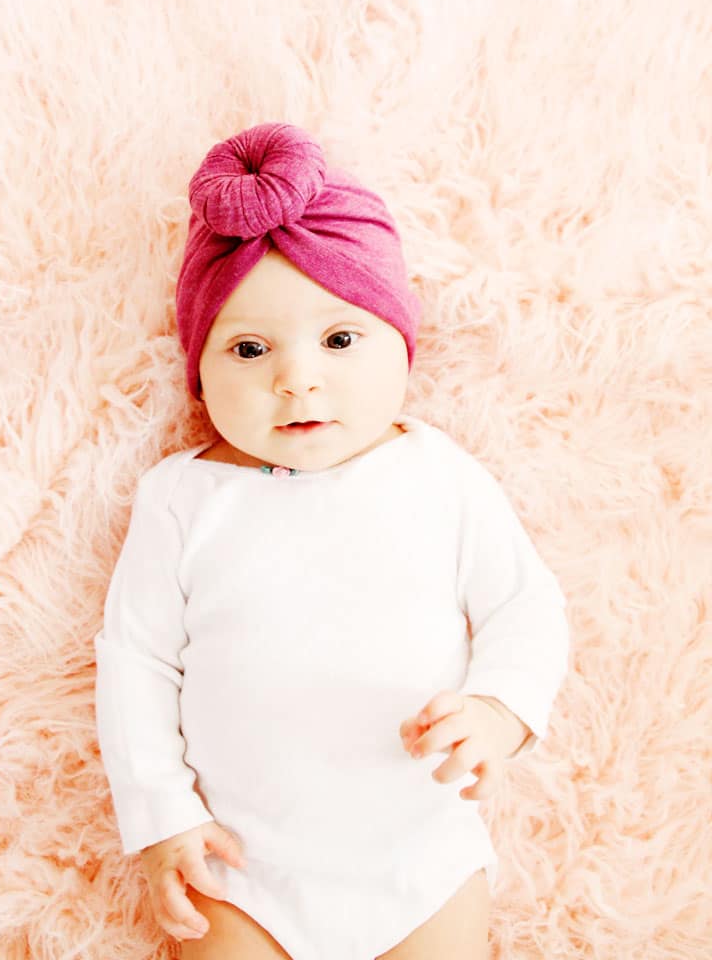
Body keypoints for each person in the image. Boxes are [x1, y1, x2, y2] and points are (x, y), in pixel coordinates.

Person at [93, 122, 570, 960]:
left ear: (402, 343)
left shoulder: (437, 473)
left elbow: (524, 608)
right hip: (239, 862)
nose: (297, 377)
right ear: (198, 371)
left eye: (341, 339)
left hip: (419, 854)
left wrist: (498, 711)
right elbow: (134, 661)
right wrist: (162, 814)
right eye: (248, 349)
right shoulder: (181, 496)